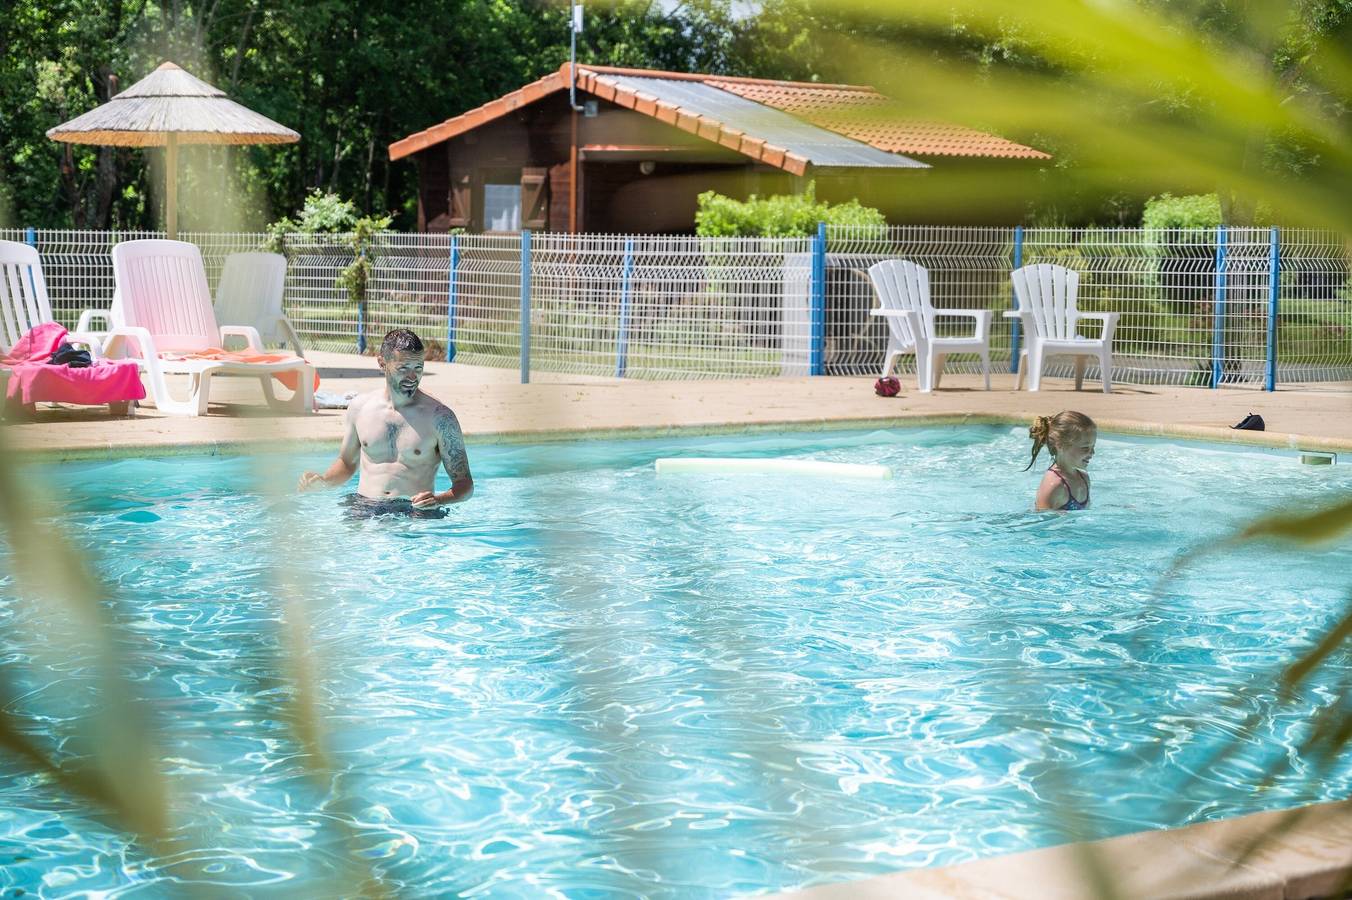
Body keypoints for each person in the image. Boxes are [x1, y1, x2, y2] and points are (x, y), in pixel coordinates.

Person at [298, 328, 473, 517]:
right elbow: (347, 463)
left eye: (418, 368)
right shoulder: (359, 408)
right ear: (382, 363)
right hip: (363, 507)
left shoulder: (440, 418)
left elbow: (465, 485)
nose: (412, 378)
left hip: (414, 512)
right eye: (403, 368)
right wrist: (323, 481)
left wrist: (438, 499)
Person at [1026, 411, 1096, 511]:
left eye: (1093, 447)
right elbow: (1040, 522)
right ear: (1060, 446)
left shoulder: (1083, 477)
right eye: (1085, 448)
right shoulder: (1054, 485)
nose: (1092, 453)